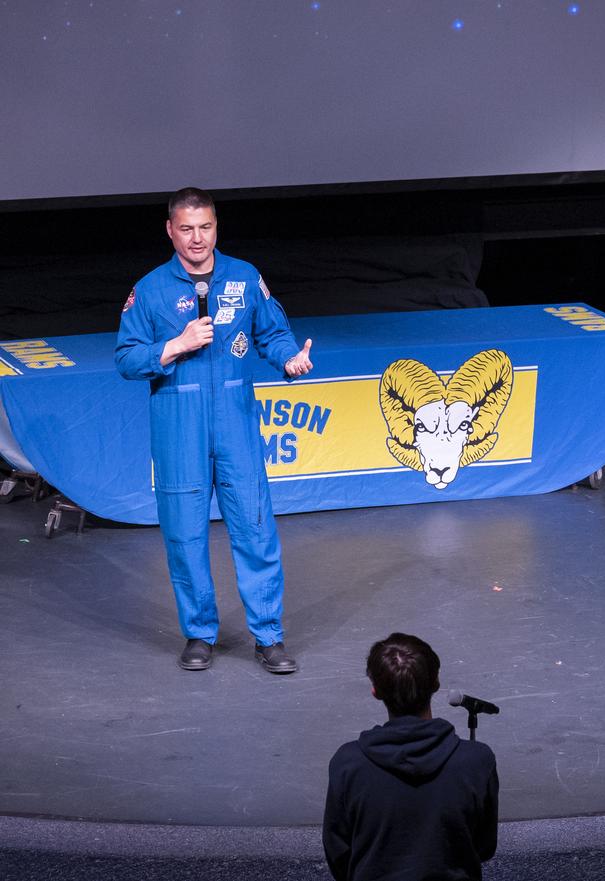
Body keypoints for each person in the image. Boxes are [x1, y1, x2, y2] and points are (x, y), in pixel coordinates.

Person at [115, 187, 313, 673]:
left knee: (255, 529)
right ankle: (199, 634)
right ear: (170, 230)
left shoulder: (244, 277)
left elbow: (272, 333)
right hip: (178, 428)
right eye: (186, 228)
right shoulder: (150, 289)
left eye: (205, 227)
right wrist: (175, 345)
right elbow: (127, 358)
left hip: (235, 424)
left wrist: (289, 358)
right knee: (185, 536)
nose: (197, 238)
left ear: (216, 227)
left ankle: (268, 637)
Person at [324, 633, 499, 881]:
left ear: (375, 691)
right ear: (436, 682)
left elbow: (339, 855)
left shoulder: (348, 764)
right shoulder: (477, 761)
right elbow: (484, 846)